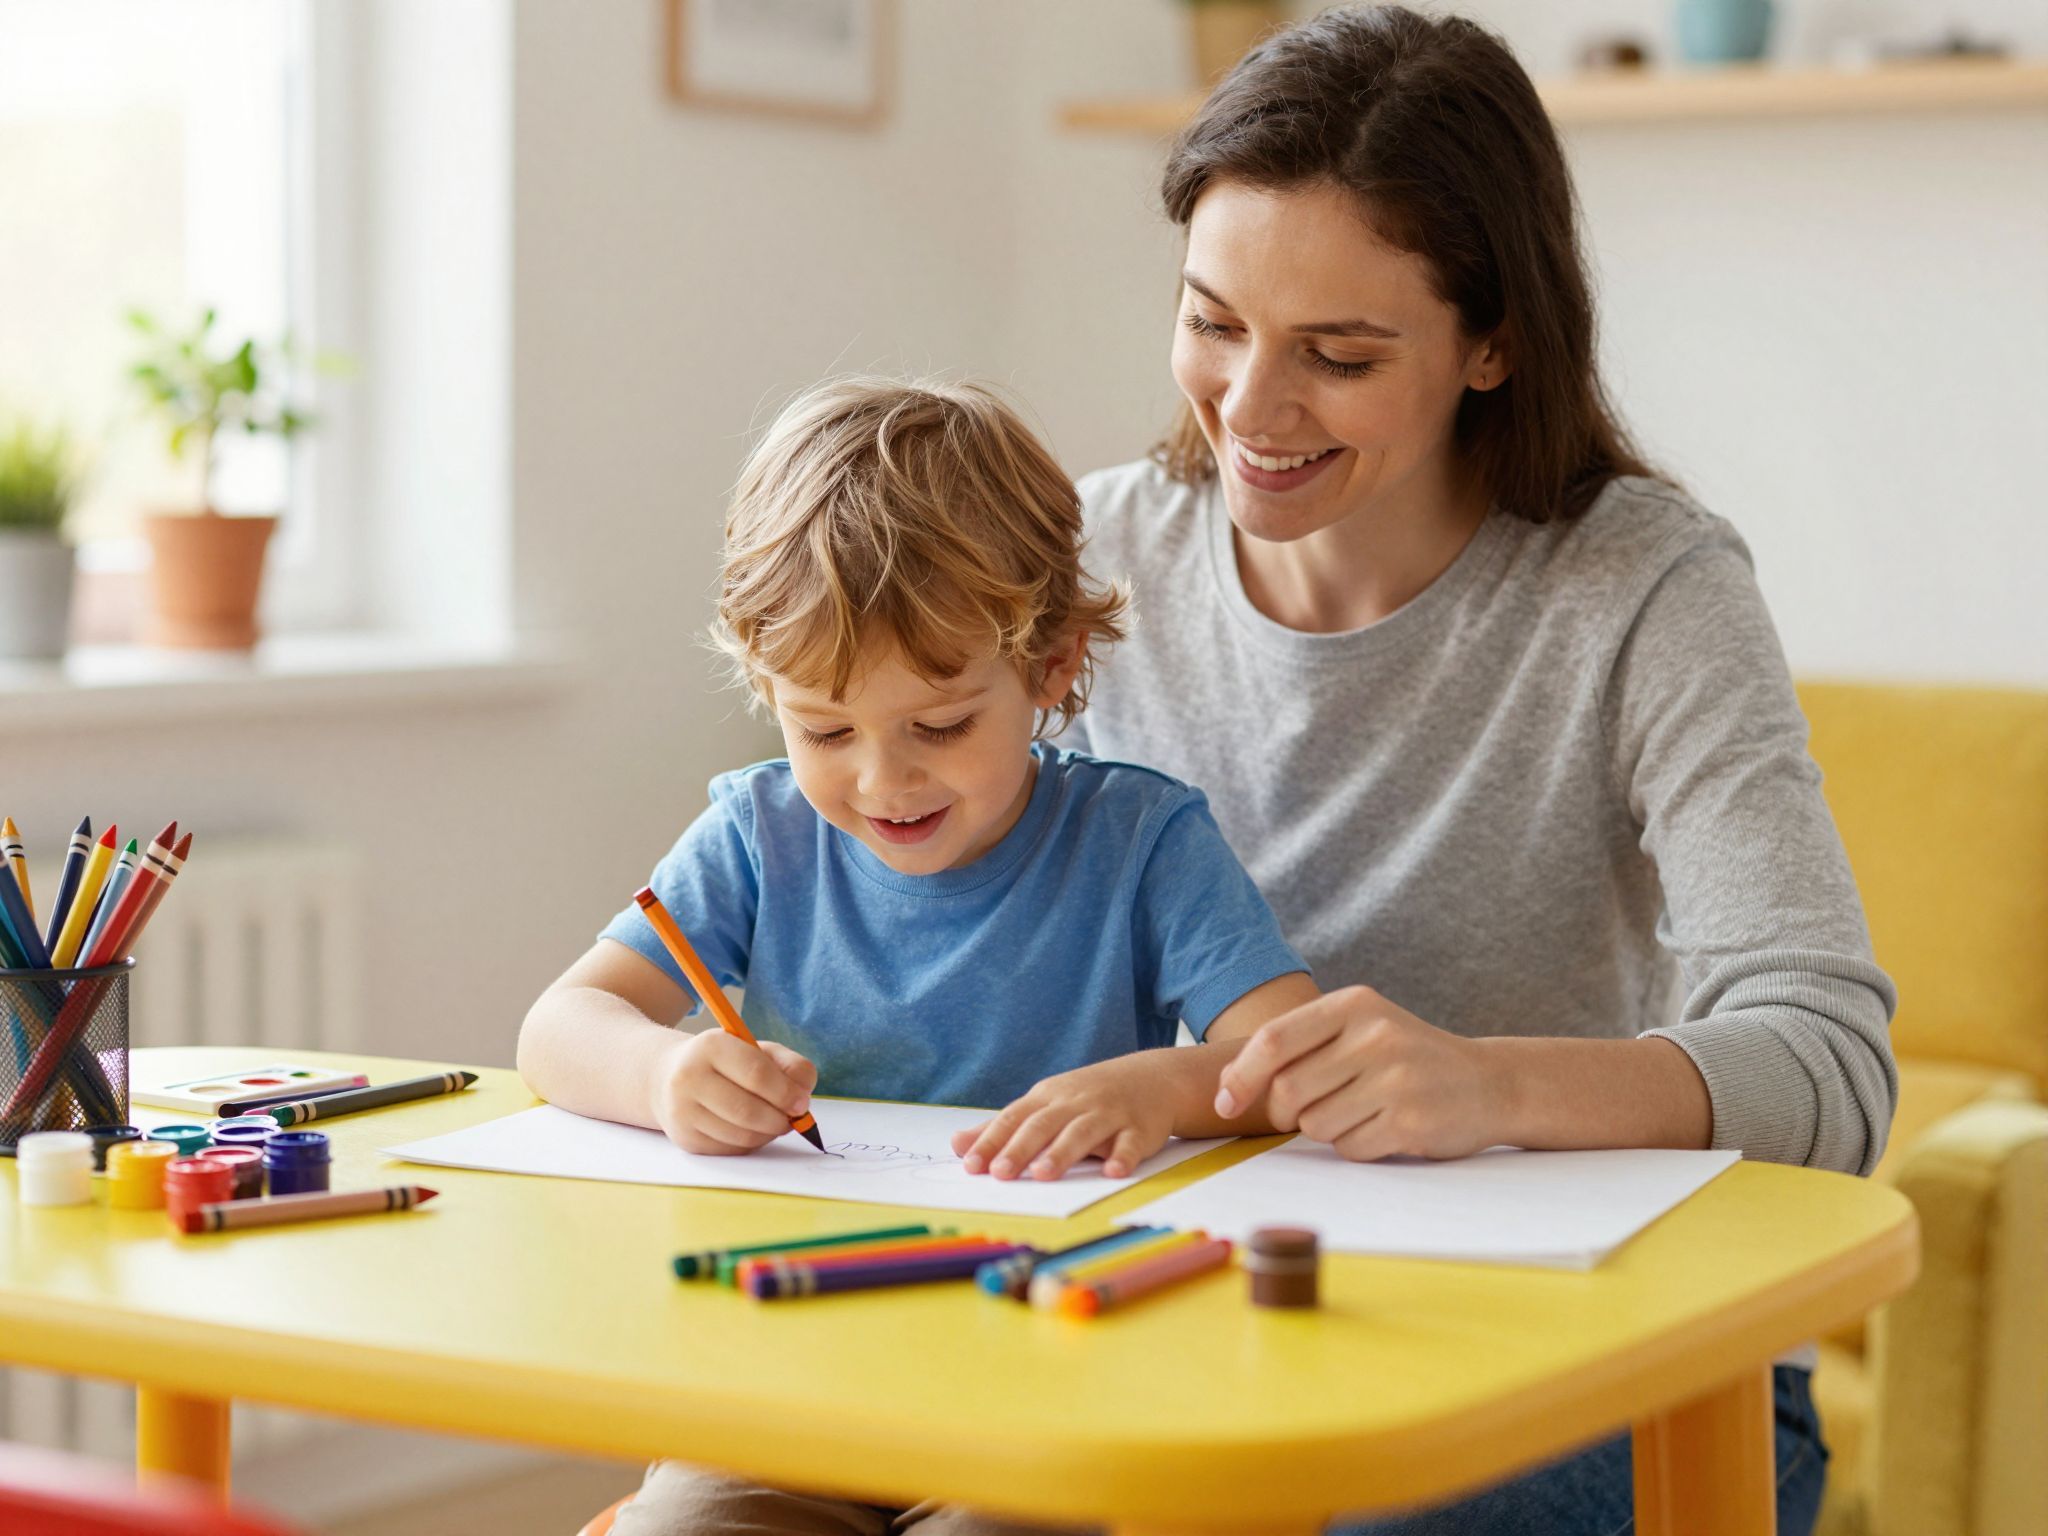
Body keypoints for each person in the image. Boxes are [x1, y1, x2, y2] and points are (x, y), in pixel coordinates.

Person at [1048, 8, 1897, 1534]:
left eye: (1341, 354)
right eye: (1213, 320)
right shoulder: (1091, 562)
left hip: (1608, 1344)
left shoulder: (1644, 588)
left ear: (1494, 343)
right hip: (1184, 1305)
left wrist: (1487, 1084)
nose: (1247, 406)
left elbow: (1833, 1066)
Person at [517, 376, 1317, 1535]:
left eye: (939, 726)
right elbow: (557, 1029)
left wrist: (1164, 1084)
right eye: (822, 730)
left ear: (1051, 669)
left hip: (1044, 1378)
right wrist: (660, 1075)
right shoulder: (757, 834)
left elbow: (1289, 1060)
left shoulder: (1140, 842)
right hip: (784, 1370)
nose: (881, 782)